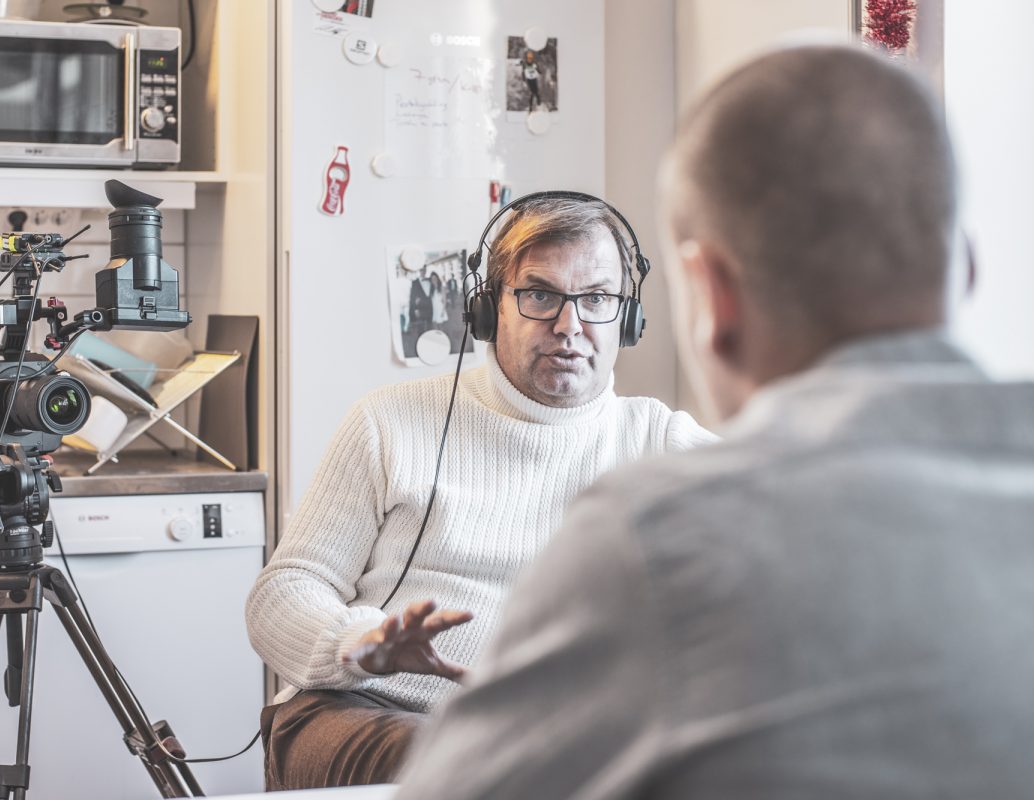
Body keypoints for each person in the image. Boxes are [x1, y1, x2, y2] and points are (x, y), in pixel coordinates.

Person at [397, 44, 1034, 799]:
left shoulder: (652, 539)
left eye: (595, 301)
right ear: (966, 269)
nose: (570, 325)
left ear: (711, 297)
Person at [245, 194, 715, 790]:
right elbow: (281, 593)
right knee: (482, 765)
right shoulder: (389, 422)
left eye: (597, 299)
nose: (570, 326)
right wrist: (360, 645)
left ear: (627, 316)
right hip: (362, 711)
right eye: (540, 294)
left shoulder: (663, 442)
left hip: (557, 738)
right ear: (490, 309)